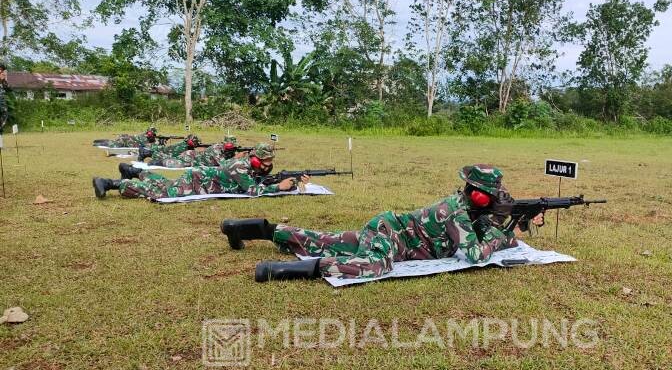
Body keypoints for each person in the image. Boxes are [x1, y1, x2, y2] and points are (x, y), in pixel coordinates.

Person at [220, 164, 545, 282]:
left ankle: (256, 229)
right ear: (477, 195)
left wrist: (510, 226)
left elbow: (484, 234)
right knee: (375, 265)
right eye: (490, 195)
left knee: (324, 240)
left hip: (387, 227)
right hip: (392, 237)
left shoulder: (466, 209)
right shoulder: (456, 212)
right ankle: (278, 270)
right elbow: (474, 254)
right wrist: (505, 236)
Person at [93, 143, 308, 200]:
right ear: (254, 158)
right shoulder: (239, 166)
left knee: (165, 185)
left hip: (200, 178)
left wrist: (295, 182)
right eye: (264, 160)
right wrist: (277, 187)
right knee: (161, 193)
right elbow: (252, 190)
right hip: (199, 182)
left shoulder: (249, 166)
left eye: (270, 160)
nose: (267, 164)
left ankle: (132, 171)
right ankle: (111, 183)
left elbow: (261, 178)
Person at [129, 135, 239, 170]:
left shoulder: (223, 150)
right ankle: (153, 163)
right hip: (191, 159)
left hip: (193, 157)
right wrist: (238, 157)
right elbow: (224, 165)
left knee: (170, 158)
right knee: (172, 163)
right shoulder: (216, 149)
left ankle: (151, 157)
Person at [137, 133, 201, 161]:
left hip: (164, 150)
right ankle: (145, 153)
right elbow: (175, 156)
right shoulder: (183, 147)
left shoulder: (185, 145)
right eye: (195, 142)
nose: (196, 143)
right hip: (163, 151)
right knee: (168, 159)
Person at [93, 126, 158, 148]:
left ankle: (101, 141)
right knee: (114, 144)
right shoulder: (145, 137)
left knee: (113, 141)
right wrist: (155, 142)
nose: (151, 133)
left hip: (128, 139)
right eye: (151, 132)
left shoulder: (146, 135)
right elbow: (147, 145)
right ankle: (98, 143)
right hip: (127, 140)